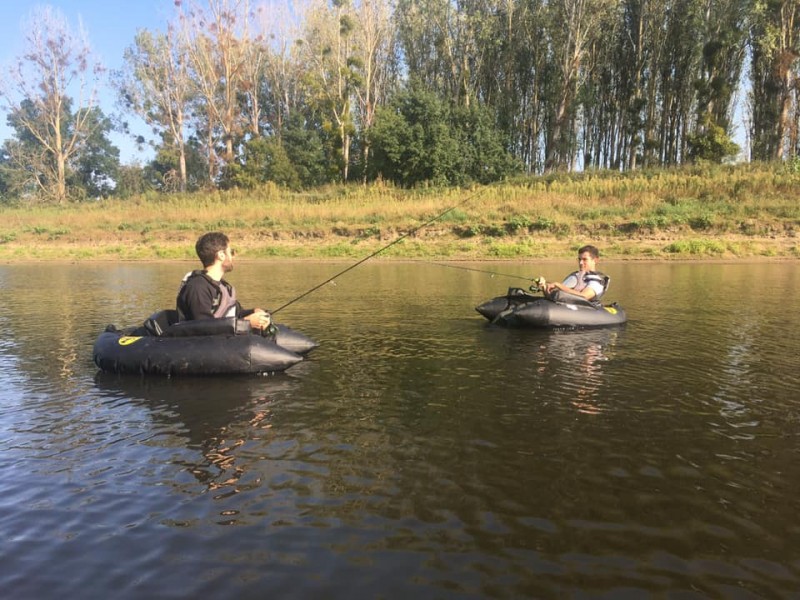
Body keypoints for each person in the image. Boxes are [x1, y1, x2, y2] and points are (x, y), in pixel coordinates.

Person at [176, 231, 272, 331]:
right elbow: (204, 327)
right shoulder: (197, 288)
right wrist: (245, 323)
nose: (233, 256)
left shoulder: (224, 286)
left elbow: (236, 313)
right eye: (231, 252)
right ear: (221, 255)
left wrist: (255, 312)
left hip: (222, 341)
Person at [540, 244, 608, 305]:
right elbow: (554, 297)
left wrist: (558, 285)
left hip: (585, 312)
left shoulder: (596, 282)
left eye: (585, 259)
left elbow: (584, 296)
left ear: (595, 260)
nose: (581, 263)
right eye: (579, 259)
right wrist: (543, 286)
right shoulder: (576, 277)